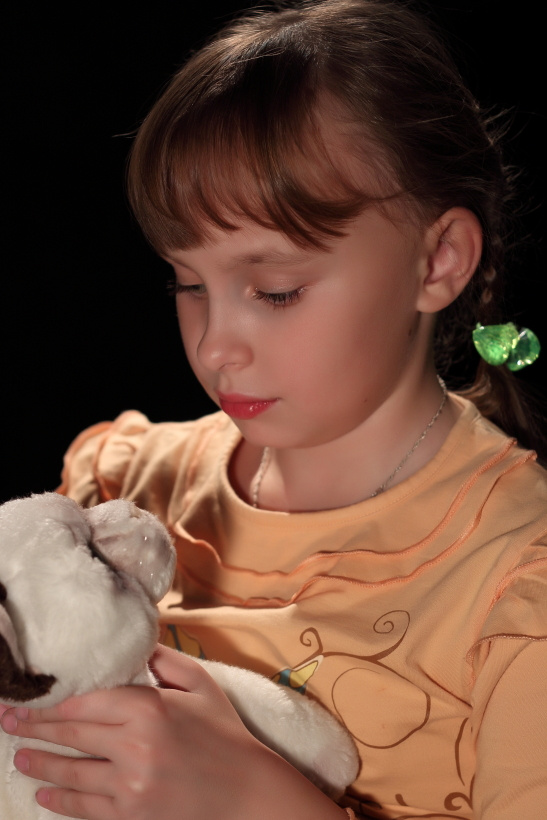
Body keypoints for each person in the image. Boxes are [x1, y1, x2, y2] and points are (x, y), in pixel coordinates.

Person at [1, 0, 546, 817]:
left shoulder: (517, 587)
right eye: (189, 283)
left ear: (437, 261)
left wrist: (258, 799)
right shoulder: (123, 488)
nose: (216, 345)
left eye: (275, 290)